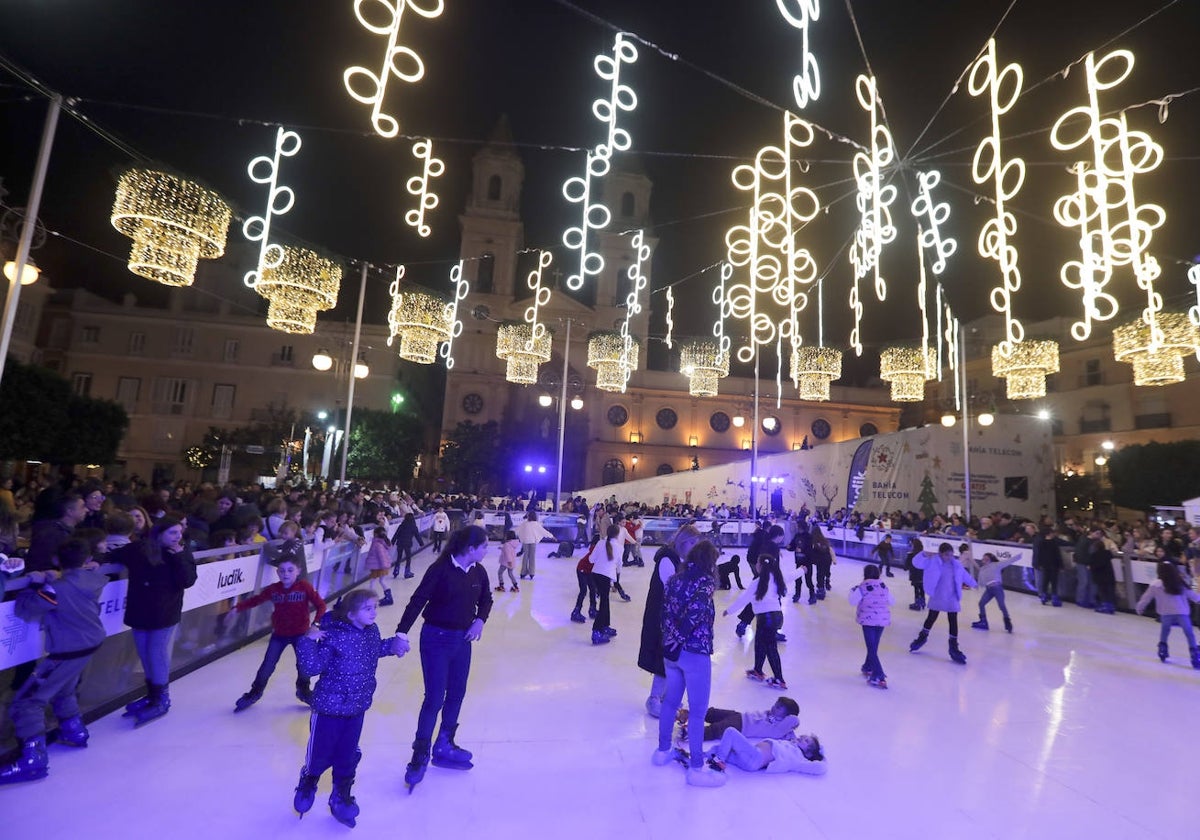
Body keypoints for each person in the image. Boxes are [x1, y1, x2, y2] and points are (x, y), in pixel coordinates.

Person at [293, 590, 408, 826]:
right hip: (329, 709)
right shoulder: (333, 636)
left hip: (357, 707)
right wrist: (307, 639)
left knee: (348, 754)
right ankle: (309, 781)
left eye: (375, 607)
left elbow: (374, 650)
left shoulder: (371, 631)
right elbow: (311, 668)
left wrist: (393, 646)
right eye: (368, 608)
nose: (374, 612)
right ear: (351, 613)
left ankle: (340, 795)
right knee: (319, 753)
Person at [0, 539, 107, 785]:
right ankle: (74, 730)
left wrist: (33, 585)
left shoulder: (56, 589)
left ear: (58, 561)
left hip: (67, 650)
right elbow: (72, 585)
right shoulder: (93, 578)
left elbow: (26, 609)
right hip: (89, 644)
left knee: (27, 702)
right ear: (86, 559)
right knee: (65, 688)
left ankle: (33, 760)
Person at [396, 525, 493, 791]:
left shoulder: (479, 572)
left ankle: (445, 743)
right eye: (484, 546)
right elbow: (417, 601)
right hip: (436, 639)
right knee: (435, 697)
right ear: (470, 548)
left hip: (463, 641)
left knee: (457, 694)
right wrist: (401, 633)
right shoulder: (439, 570)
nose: (487, 550)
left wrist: (480, 621)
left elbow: (487, 600)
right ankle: (420, 753)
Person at [108, 516, 198, 725]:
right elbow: (114, 555)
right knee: (144, 652)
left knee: (156, 653)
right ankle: (152, 694)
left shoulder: (181, 553)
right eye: (173, 533)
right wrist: (95, 559)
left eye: (179, 532)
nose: (178, 537)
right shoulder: (139, 549)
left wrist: (178, 557)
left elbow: (188, 580)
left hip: (164, 612)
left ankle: (162, 698)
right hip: (140, 609)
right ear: (159, 533)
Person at [654, 539, 725, 787]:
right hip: (695, 653)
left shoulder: (674, 579)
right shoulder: (704, 582)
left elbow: (663, 611)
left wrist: (672, 638)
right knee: (697, 712)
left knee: (670, 702)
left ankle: (662, 751)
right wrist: (682, 637)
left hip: (672, 654)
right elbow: (697, 611)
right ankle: (696, 768)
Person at [230, 557, 328, 711]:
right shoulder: (274, 589)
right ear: (277, 572)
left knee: (304, 666)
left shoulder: (304, 587)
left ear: (298, 571)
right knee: (267, 666)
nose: (285, 574)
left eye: (290, 570)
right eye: (282, 571)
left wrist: (315, 624)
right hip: (279, 635)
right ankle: (254, 693)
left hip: (301, 635)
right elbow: (256, 600)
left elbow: (321, 605)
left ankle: (303, 691)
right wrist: (237, 608)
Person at [638, 524, 703, 716]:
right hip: (662, 617)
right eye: (692, 542)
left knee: (673, 658)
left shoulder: (681, 559)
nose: (694, 546)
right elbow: (673, 588)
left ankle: (668, 697)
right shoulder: (667, 559)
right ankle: (654, 698)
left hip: (673, 617)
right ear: (683, 541)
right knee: (664, 658)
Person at [726, 526, 799, 690]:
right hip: (774, 616)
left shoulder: (757, 582)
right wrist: (802, 570)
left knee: (770, 647)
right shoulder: (776, 577)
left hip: (766, 619)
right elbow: (792, 575)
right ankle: (758, 670)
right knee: (760, 643)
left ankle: (779, 679)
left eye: (757, 563)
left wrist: (728, 611)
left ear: (759, 566)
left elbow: (743, 599)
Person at [909, 542, 978, 664]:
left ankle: (953, 646)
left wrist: (974, 583)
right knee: (931, 617)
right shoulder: (932, 561)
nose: (949, 557)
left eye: (951, 554)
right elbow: (916, 563)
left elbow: (964, 575)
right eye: (946, 554)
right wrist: (924, 554)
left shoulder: (956, 564)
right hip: (938, 594)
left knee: (953, 620)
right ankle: (922, 637)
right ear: (940, 554)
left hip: (952, 596)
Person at [1135, 561, 1200, 667]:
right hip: (1181, 612)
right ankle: (1194, 653)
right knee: (1189, 633)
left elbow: (1146, 598)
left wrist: (1139, 608)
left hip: (1166, 613)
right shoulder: (1179, 583)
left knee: (1165, 631)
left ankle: (1163, 647)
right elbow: (1192, 595)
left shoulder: (1155, 585)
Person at [848, 564, 895, 689]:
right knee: (873, 646)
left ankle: (878, 675)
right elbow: (892, 601)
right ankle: (868, 667)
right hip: (882, 620)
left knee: (872, 648)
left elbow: (852, 601)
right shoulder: (883, 586)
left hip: (868, 621)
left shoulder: (862, 587)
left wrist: (852, 590)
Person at [677, 696, 800, 741]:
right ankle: (688, 713)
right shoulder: (772, 716)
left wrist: (789, 720)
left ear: (787, 716)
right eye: (775, 705)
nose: (774, 708)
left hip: (741, 726)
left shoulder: (779, 728)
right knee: (713, 713)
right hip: (739, 716)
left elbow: (794, 720)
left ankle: (689, 733)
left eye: (778, 708)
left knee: (716, 729)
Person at [712, 729, 827, 776]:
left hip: (756, 757)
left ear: (809, 753)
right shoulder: (791, 745)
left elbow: (820, 768)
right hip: (749, 762)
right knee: (719, 748)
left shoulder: (799, 760)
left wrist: (820, 752)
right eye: (803, 736)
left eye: (806, 740)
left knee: (731, 732)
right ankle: (701, 756)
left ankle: (719, 762)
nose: (802, 737)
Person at [590, 524, 623, 645]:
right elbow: (619, 565)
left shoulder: (600, 543)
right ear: (617, 534)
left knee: (605, 600)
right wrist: (616, 581)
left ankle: (605, 625)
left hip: (595, 575)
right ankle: (596, 630)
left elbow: (591, 560)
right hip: (605, 577)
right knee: (604, 603)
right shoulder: (619, 547)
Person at [971, 551, 1016, 633]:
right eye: (983, 559)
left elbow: (1009, 561)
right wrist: (976, 585)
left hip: (997, 588)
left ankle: (1007, 621)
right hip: (989, 589)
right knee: (981, 603)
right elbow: (980, 579)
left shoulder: (996, 565)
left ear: (990, 560)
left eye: (986, 559)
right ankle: (983, 622)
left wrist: (1019, 556)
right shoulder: (983, 569)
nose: (984, 561)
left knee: (1001, 605)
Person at [570, 533, 600, 623]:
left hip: (589, 571)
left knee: (593, 589)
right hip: (582, 570)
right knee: (583, 591)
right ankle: (576, 611)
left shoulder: (597, 549)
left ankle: (592, 609)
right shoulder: (595, 550)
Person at [516, 510, 554, 580]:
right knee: (532, 557)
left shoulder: (524, 523)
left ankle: (523, 572)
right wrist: (552, 536)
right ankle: (531, 573)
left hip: (525, 542)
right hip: (532, 542)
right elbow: (543, 531)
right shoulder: (536, 524)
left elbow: (517, 530)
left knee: (525, 557)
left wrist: (511, 535)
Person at [1087, 528, 1117, 614]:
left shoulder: (1094, 556)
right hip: (1110, 576)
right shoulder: (1108, 554)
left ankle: (1105, 605)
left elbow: (1094, 566)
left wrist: (1090, 567)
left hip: (1100, 577)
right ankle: (1111, 606)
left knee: (1103, 592)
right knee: (1110, 592)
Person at [1032, 526, 1064, 607]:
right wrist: (1061, 565)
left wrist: (1039, 564)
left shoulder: (1040, 542)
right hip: (1054, 565)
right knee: (1054, 582)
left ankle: (1044, 596)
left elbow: (1039, 555)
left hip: (1045, 565)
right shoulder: (1054, 543)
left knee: (1045, 581)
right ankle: (1054, 598)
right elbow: (1057, 555)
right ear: (1050, 533)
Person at [362, 525, 394, 606]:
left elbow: (381, 556)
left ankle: (371, 599)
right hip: (380, 566)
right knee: (380, 581)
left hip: (378, 567)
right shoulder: (382, 542)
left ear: (376, 534)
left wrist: (384, 566)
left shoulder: (377, 544)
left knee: (374, 582)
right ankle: (388, 597)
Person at [391, 512, 423, 579]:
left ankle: (396, 571)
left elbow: (396, 534)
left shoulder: (402, 525)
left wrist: (392, 542)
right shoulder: (413, 527)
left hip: (400, 543)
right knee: (408, 558)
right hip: (407, 544)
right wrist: (421, 543)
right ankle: (407, 572)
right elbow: (417, 536)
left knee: (399, 557)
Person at [904, 537, 926, 611]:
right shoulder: (924, 554)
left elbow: (906, 566)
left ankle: (917, 604)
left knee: (916, 589)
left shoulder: (911, 555)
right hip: (923, 575)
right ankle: (922, 602)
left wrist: (906, 566)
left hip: (915, 575)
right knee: (922, 589)